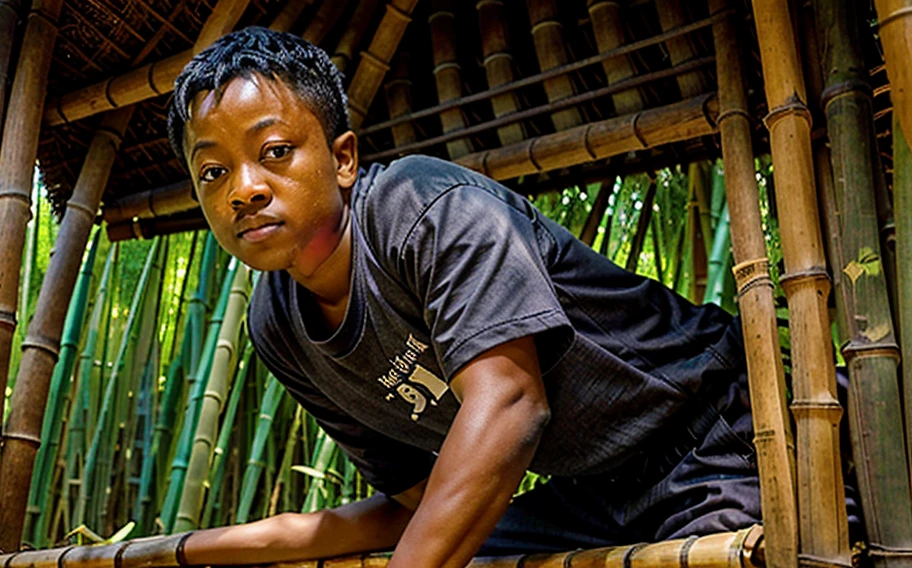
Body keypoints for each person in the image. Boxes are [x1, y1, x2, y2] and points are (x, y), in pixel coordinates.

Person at [166, 26, 760, 567]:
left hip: (716, 430)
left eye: (274, 152)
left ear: (342, 158)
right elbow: (416, 504)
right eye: (213, 172)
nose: (243, 190)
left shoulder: (422, 209)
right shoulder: (276, 327)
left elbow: (510, 403)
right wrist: (192, 550)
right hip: (593, 490)